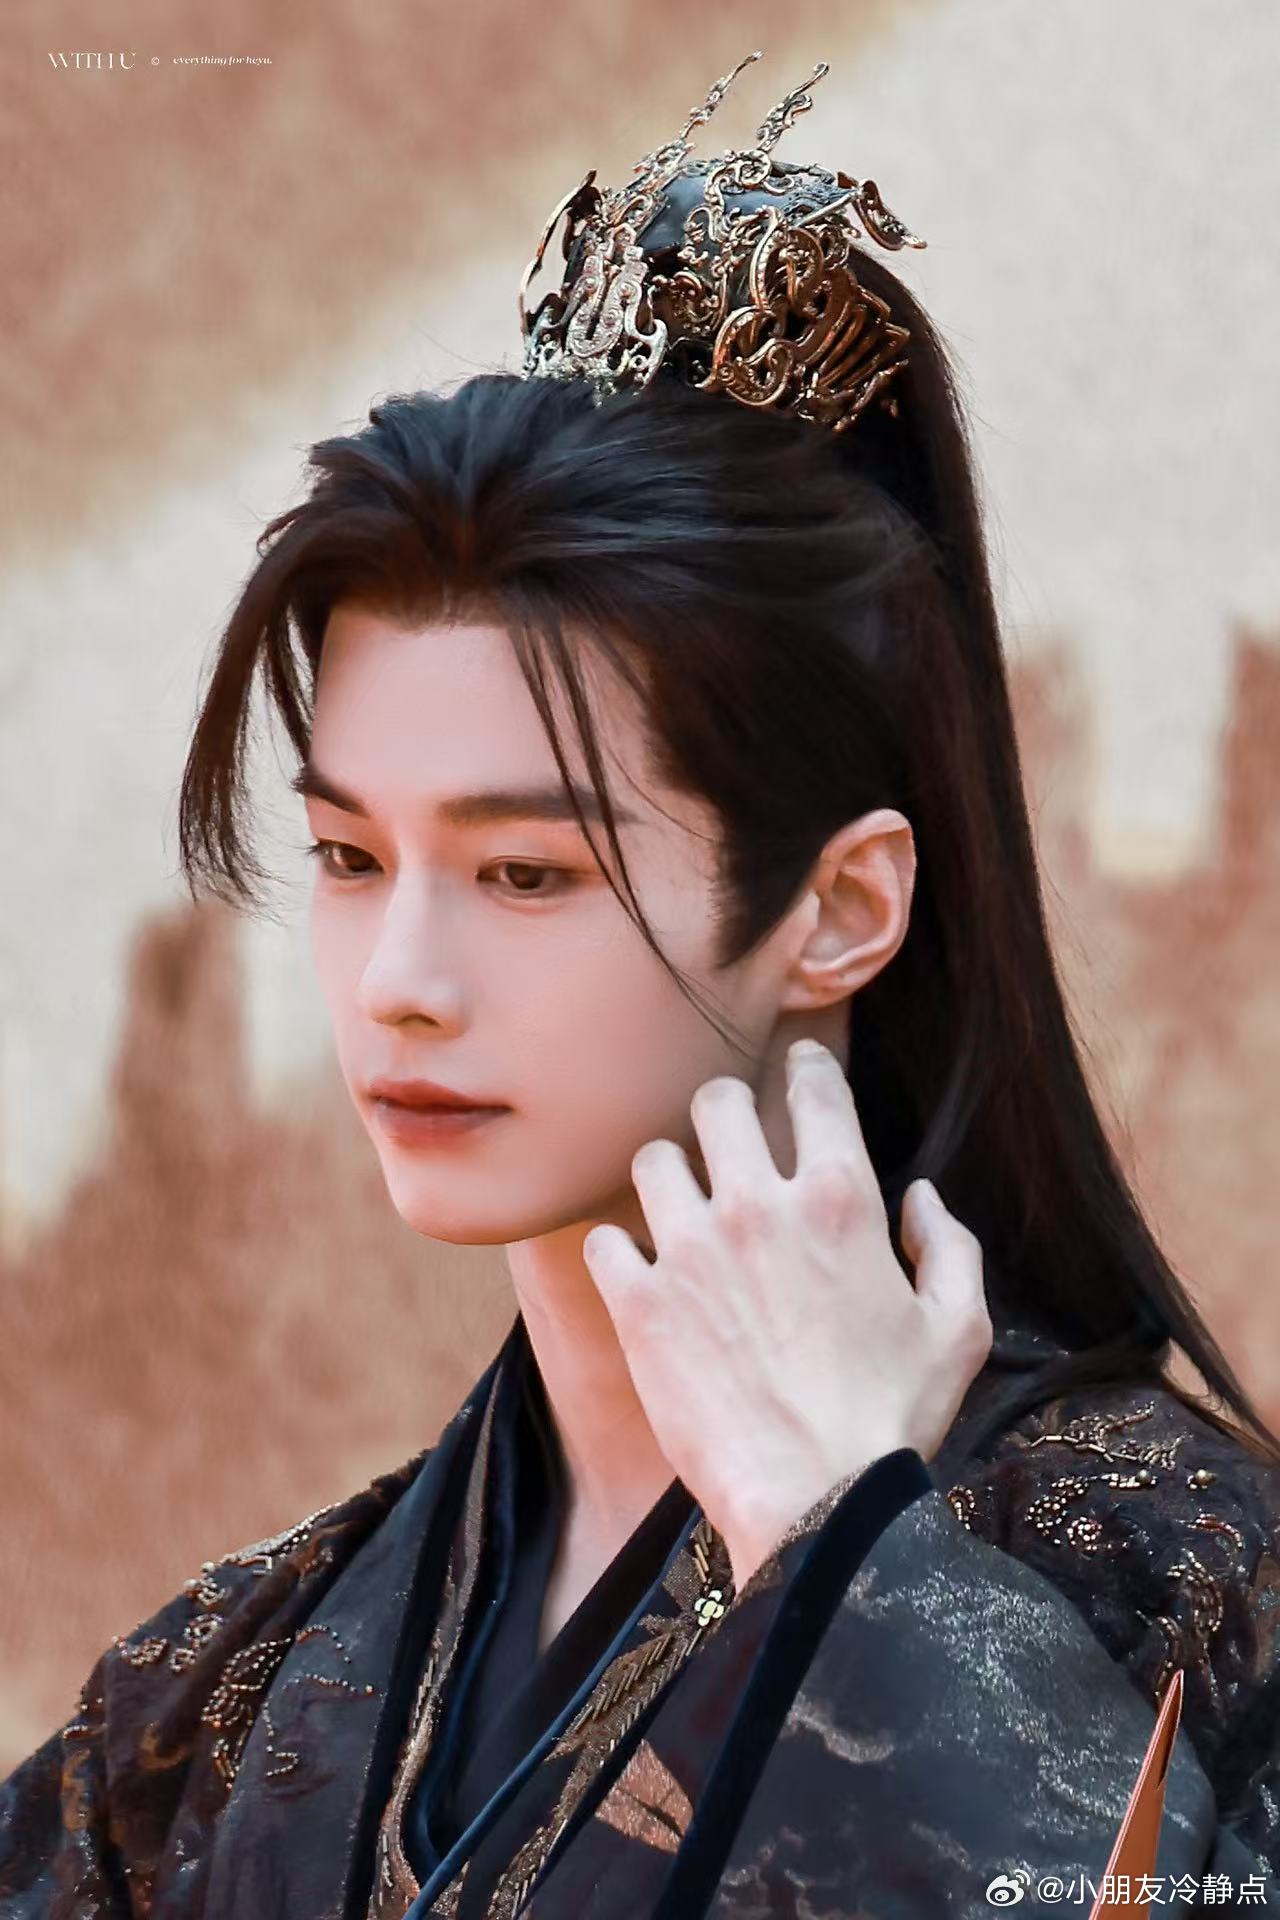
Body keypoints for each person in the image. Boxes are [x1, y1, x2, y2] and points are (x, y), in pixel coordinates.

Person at [3, 47, 1279, 1920]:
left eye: (527, 874)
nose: (400, 983)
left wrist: (844, 1563)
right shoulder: (222, 1705)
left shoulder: (1174, 1569)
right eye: (352, 859)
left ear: (839, 908)